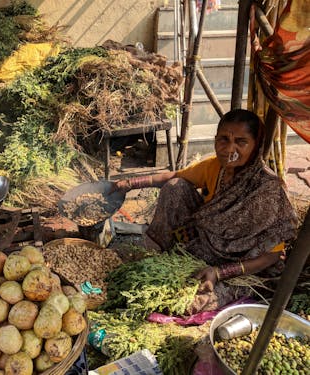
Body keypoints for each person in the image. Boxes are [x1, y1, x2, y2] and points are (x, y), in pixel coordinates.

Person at [114, 109, 298, 312]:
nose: (229, 149)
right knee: (176, 187)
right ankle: (155, 249)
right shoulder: (215, 167)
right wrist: (129, 183)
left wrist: (220, 272)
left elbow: (271, 256)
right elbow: (174, 175)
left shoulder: (267, 189)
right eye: (223, 139)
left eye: (241, 141)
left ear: (256, 146)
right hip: (206, 246)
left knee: (189, 303)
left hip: (244, 266)